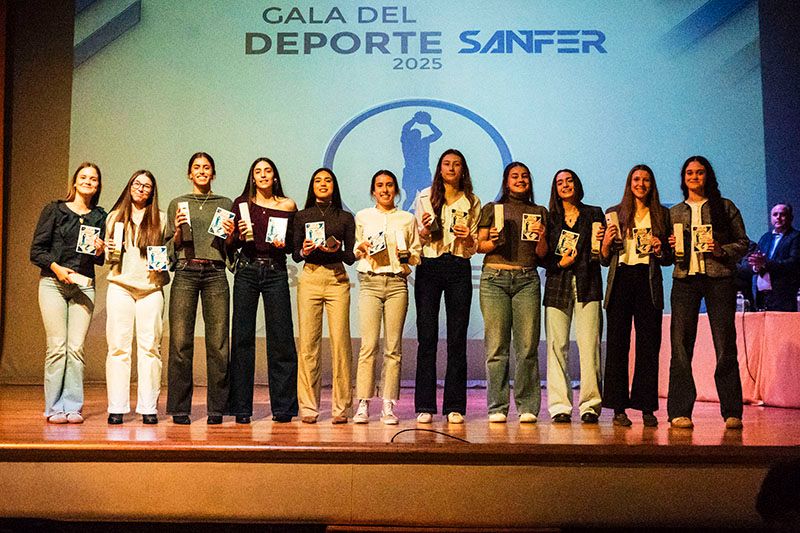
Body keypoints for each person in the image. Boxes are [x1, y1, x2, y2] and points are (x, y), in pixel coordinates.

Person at [667, 155, 748, 430]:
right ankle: (679, 411)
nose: (694, 177)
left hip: (719, 280)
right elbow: (666, 254)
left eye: (699, 172)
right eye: (689, 173)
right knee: (680, 346)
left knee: (725, 345)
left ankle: (732, 411)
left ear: (708, 176)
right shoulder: (674, 212)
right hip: (684, 281)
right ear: (683, 178)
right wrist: (668, 246)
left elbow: (743, 243)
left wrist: (720, 250)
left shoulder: (725, 207)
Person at [30, 162, 106, 424]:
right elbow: (36, 251)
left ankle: (73, 406)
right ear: (75, 182)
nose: (88, 181)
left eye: (93, 179)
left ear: (98, 186)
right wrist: (56, 268)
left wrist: (100, 250)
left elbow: (98, 259)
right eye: (83, 177)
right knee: (57, 347)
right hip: (53, 284)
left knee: (75, 348)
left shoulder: (100, 216)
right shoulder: (55, 210)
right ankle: (53, 408)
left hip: (83, 287)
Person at [600, 164, 672, 427]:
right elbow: (603, 259)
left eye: (646, 180)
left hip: (648, 281)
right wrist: (606, 243)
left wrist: (660, 249)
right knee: (617, 345)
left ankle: (646, 407)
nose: (641, 184)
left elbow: (668, 258)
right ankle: (618, 408)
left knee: (648, 346)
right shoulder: (614, 213)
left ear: (652, 185)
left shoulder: (662, 214)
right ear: (629, 183)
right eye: (636, 179)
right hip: (620, 280)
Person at [165, 152, 234, 425]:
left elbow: (229, 249)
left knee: (218, 343)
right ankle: (179, 408)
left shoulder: (225, 203)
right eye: (197, 167)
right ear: (189, 173)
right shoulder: (177, 203)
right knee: (180, 342)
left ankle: (217, 408)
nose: (202, 171)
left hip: (215, 273)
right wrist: (178, 231)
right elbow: (171, 245)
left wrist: (231, 236)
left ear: (213, 174)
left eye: (206, 167)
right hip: (185, 271)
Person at [228, 157, 299, 424]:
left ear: (275, 176)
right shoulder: (241, 204)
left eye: (268, 170)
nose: (263, 175)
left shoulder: (288, 205)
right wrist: (234, 234)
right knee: (242, 339)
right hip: (247, 270)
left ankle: (283, 408)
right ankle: (241, 408)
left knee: (281, 339)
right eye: (258, 171)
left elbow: (293, 244)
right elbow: (231, 244)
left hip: (276, 271)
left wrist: (284, 244)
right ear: (252, 177)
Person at [414, 149, 481, 425]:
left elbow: (474, 246)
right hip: (429, 266)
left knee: (457, 338)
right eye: (446, 164)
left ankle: (455, 406)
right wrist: (424, 230)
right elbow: (418, 238)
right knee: (427, 337)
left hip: (458, 266)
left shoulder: (472, 200)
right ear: (439, 168)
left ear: (463, 169)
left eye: (456, 164)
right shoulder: (424, 196)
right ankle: (425, 406)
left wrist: (468, 239)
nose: (451, 168)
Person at [477, 162, 548, 424]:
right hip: (494, 279)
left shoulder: (539, 211)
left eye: (524, 176)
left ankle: (527, 406)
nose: (520, 180)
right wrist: (493, 241)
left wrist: (542, 237)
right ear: (506, 182)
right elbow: (479, 246)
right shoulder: (491, 208)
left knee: (527, 346)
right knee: (497, 347)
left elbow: (543, 255)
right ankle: (497, 406)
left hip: (527, 279)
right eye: (515, 176)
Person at [352, 170, 421, 425]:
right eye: (380, 185)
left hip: (396, 284)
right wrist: (359, 248)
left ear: (396, 190)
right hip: (370, 282)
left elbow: (416, 254)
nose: (385, 190)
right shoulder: (363, 216)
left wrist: (408, 255)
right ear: (373, 191)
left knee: (393, 348)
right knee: (368, 345)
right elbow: (356, 249)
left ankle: (388, 404)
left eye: (389, 185)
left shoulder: (407, 219)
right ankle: (363, 402)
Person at [104, 170, 168, 425]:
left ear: (152, 192)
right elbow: (107, 257)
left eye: (147, 186)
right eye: (137, 184)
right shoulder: (113, 217)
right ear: (129, 186)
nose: (141, 189)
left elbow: (169, 253)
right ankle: (117, 407)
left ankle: (148, 407)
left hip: (150, 288)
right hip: (120, 286)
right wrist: (106, 249)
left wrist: (164, 260)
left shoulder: (161, 219)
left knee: (150, 348)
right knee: (118, 347)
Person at [292, 168, 356, 424]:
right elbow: (295, 254)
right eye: (318, 180)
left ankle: (341, 407)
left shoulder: (345, 217)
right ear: (312, 186)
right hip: (310, 277)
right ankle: (308, 406)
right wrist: (304, 250)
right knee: (308, 344)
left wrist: (338, 250)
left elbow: (350, 257)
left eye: (328, 180)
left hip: (337, 278)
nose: (323, 184)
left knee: (340, 344)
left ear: (334, 186)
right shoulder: (301, 216)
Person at [543, 168, 605, 424]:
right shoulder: (550, 217)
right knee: (556, 346)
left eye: (569, 181)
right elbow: (542, 258)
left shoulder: (594, 213)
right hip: (557, 285)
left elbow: (603, 255)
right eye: (560, 182)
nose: (565, 185)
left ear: (577, 184)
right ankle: (559, 406)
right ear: (555, 189)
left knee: (589, 345)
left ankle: (590, 405)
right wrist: (561, 263)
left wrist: (605, 242)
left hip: (588, 284)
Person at [743, 203, 800, 311]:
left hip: (784, 295)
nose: (778, 217)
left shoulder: (796, 237)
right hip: (762, 296)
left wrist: (765, 263)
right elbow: (754, 260)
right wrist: (755, 266)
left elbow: (794, 263)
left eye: (782, 214)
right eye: (775, 214)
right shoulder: (766, 237)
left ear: (791, 218)